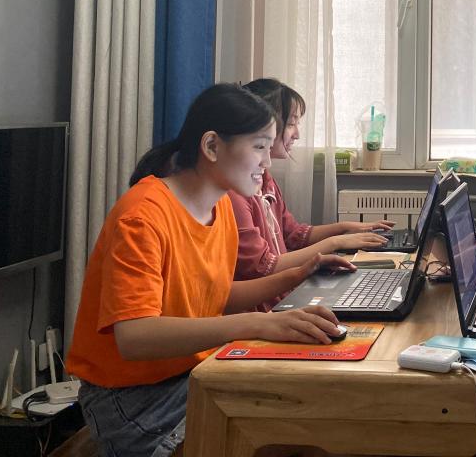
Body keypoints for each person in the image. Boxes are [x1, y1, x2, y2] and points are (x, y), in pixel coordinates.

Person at [66, 84, 354, 457]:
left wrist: (299, 273)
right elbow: (134, 336)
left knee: (309, 411)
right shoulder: (142, 216)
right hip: (132, 399)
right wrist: (257, 324)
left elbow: (214, 294)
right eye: (259, 146)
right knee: (288, 433)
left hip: (188, 373)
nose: (267, 163)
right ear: (212, 146)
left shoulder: (218, 208)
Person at [230, 78, 393, 310]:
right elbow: (262, 267)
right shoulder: (235, 195)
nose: (297, 134)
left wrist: (344, 228)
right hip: (267, 310)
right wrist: (335, 242)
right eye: (291, 124)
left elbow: (293, 234)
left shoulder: (266, 180)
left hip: (284, 298)